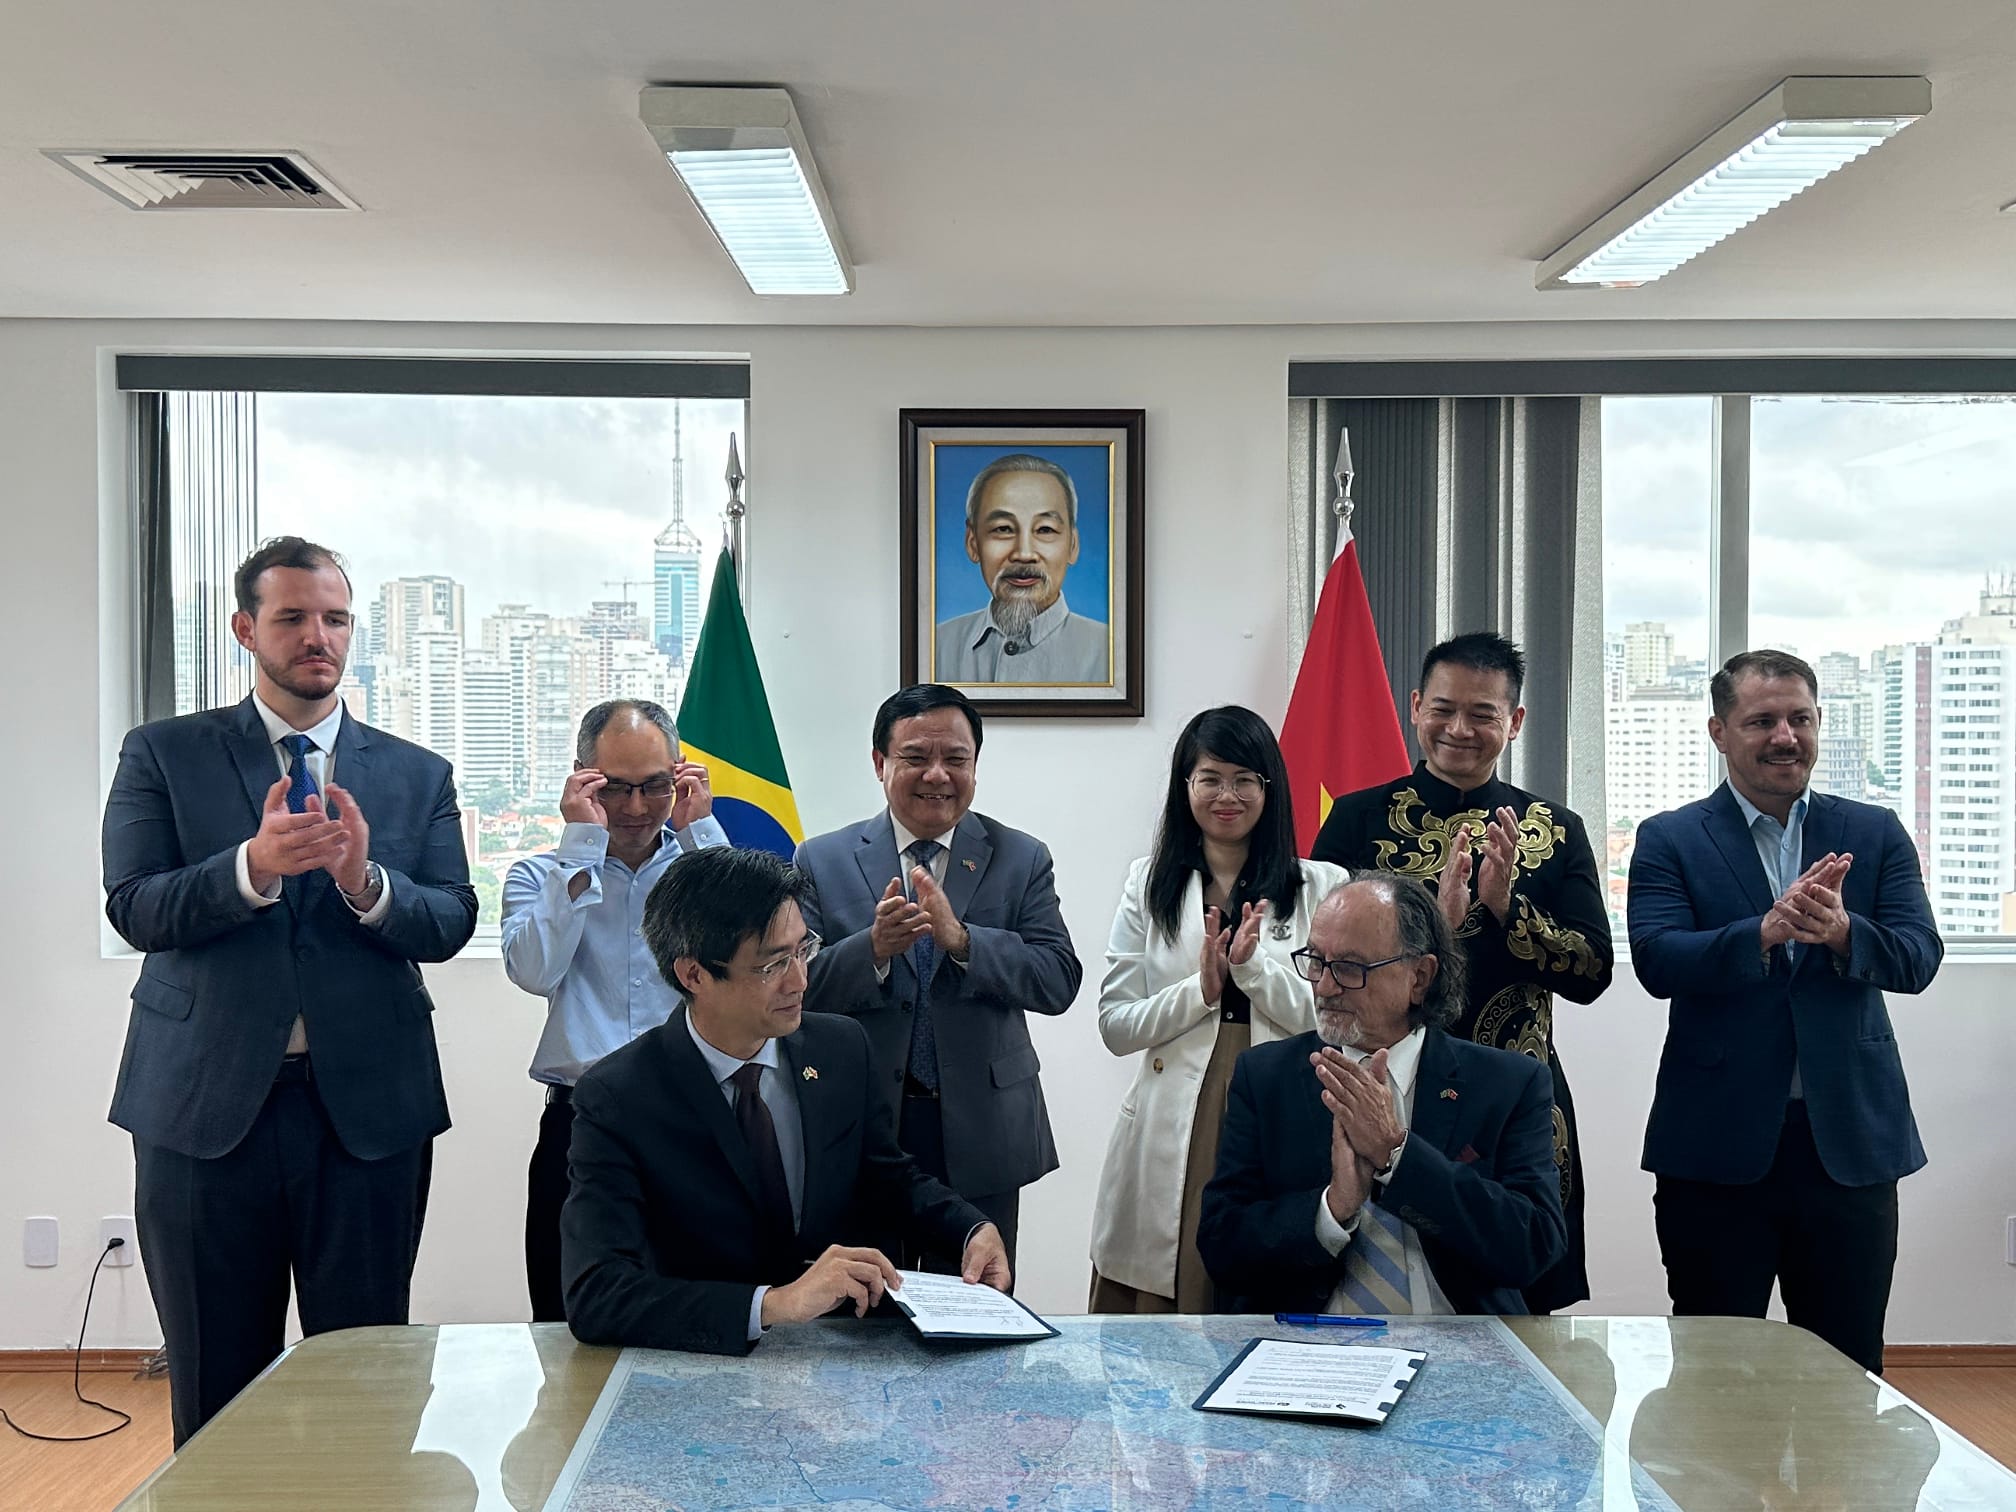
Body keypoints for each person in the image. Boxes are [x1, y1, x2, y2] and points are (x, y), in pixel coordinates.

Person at [101, 536, 477, 1446]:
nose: (319, 636)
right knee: (215, 1384)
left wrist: (364, 882)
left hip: (368, 1117)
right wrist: (251, 868)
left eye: (336, 618)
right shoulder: (164, 753)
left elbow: (450, 920)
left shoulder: (417, 772)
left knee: (366, 1381)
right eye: (294, 617)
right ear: (245, 629)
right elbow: (135, 906)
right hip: (202, 1109)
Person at [560, 846, 1010, 1353]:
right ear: (693, 975)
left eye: (802, 950)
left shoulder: (840, 1047)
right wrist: (773, 1304)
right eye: (772, 964)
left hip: (842, 1357)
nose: (799, 981)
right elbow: (597, 1295)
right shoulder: (619, 1095)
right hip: (707, 1362)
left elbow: (888, 1176)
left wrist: (969, 1227)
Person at [1630, 649, 1942, 1374]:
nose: (1784, 736)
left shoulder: (1874, 831)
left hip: (1849, 1146)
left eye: (1800, 719)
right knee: (1714, 1372)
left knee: (1847, 1369)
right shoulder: (1670, 837)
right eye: (1762, 720)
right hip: (1715, 1147)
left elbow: (1919, 956)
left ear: (1819, 723)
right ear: (1719, 732)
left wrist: (1843, 933)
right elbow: (1657, 959)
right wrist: (1762, 932)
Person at [1310, 630, 1610, 1312]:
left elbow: (1594, 972)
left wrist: (1509, 909)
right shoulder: (1356, 820)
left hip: (1516, 1104)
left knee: (1520, 1294)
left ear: (1516, 721)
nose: (1460, 730)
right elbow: (1317, 955)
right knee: (1367, 1290)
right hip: (1381, 1087)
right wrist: (1434, 928)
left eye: (1483, 714)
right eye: (1444, 710)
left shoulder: (1556, 829)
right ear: (1416, 707)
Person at [793, 684, 1082, 1270]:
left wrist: (964, 941)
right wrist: (872, 949)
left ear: (975, 765)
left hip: (983, 1123)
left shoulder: (1021, 856)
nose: (937, 775)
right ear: (880, 762)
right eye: (916, 757)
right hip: (865, 1122)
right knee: (869, 1301)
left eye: (955, 759)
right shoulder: (820, 860)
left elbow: (1057, 980)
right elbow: (795, 988)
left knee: (976, 1302)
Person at [1197, 873, 1566, 1316]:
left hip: (1458, 1337)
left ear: (1419, 977)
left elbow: (1534, 1247)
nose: (1324, 986)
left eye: (1350, 968)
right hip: (1311, 1343)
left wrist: (1397, 1157)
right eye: (1315, 961)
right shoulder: (1265, 1077)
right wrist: (1331, 1211)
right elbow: (1221, 1246)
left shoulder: (1507, 1083)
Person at [1089, 706, 1345, 1312]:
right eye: (1210, 779)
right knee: (1168, 1282)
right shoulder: (1147, 884)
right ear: (1186, 787)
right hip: (1181, 1104)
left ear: (1269, 788)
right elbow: (1115, 1026)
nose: (1227, 796)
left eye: (1244, 780)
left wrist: (1252, 972)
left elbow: (1335, 1020)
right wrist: (1200, 992)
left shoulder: (1322, 886)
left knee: (1269, 1280)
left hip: (1281, 1098)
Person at [501, 698, 728, 1322]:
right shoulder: (540, 876)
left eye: (654, 786)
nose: (634, 808)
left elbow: (746, 960)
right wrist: (581, 848)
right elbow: (533, 971)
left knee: (702, 1312)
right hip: (580, 1124)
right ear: (583, 781)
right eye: (615, 788)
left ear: (680, 776)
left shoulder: (702, 869)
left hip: (696, 1121)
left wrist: (702, 831)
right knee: (566, 1316)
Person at [934, 453, 1110, 684]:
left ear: (1073, 545)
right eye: (1003, 529)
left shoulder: (1109, 652)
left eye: (1045, 530)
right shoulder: (937, 646)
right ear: (973, 543)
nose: (1024, 554)